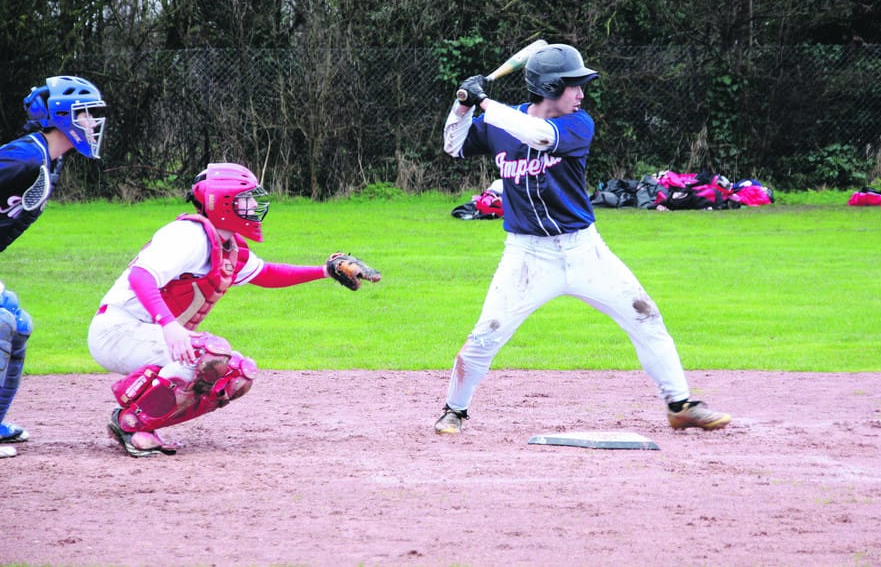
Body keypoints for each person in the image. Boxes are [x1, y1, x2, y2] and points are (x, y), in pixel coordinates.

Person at [435, 43, 731, 435]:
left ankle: (680, 404)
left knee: (646, 316)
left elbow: (540, 137)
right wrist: (462, 106)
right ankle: (455, 409)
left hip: (584, 251)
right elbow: (452, 146)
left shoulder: (578, 124)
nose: (581, 94)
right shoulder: (499, 123)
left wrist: (484, 102)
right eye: (574, 85)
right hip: (526, 255)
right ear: (549, 86)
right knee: (487, 333)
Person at [88, 162, 380, 457]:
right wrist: (169, 325)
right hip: (117, 330)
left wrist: (325, 271)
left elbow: (266, 273)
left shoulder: (226, 245)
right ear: (223, 202)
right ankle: (131, 424)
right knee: (210, 354)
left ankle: (141, 418)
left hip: (146, 332)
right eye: (246, 199)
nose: (254, 205)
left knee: (237, 374)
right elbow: (141, 276)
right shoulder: (187, 235)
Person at [0, 76, 107, 459]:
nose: (93, 123)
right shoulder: (26, 157)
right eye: (85, 114)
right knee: (2, 324)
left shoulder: (48, 159)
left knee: (17, 323)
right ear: (61, 116)